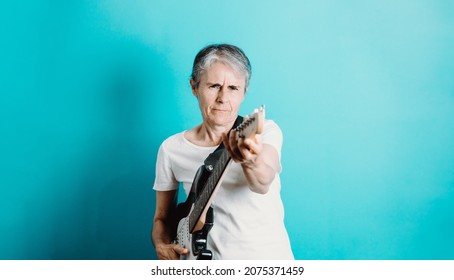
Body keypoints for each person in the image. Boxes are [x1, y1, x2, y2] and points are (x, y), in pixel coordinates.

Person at [151, 44, 293, 260]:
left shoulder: (263, 131)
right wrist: (161, 244)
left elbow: (262, 181)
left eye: (233, 88)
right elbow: (162, 218)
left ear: (244, 91)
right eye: (214, 86)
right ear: (194, 87)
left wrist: (250, 161)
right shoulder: (171, 149)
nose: (223, 98)